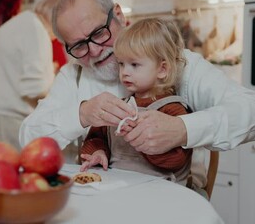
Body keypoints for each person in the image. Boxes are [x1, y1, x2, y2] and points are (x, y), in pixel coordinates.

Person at [19, 0, 255, 188]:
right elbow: (27, 139)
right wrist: (82, 114)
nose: (94, 50)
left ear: (118, 15)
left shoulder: (175, 62)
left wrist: (182, 129)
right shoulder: (72, 75)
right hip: (105, 200)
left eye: (98, 33)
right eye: (79, 46)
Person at [80, 18, 193, 185]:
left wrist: (145, 142)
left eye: (134, 64)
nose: (124, 72)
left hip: (160, 193)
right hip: (118, 188)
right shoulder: (119, 106)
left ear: (162, 69)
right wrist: (98, 152)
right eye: (121, 64)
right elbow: (95, 137)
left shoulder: (173, 110)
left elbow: (177, 161)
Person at [0, 0, 63, 150]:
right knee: (9, 166)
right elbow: (35, 88)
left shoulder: (25, 21)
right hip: (7, 113)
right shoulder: (37, 30)